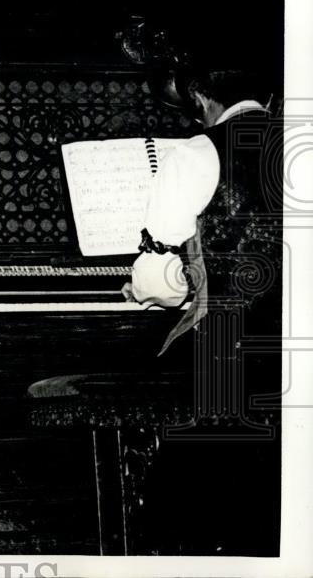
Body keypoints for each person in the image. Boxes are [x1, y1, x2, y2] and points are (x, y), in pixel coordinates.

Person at [122, 65, 282, 554]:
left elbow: (160, 285)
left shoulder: (197, 153)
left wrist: (150, 287)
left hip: (233, 366)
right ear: (269, 95)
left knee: (185, 511)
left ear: (199, 96)